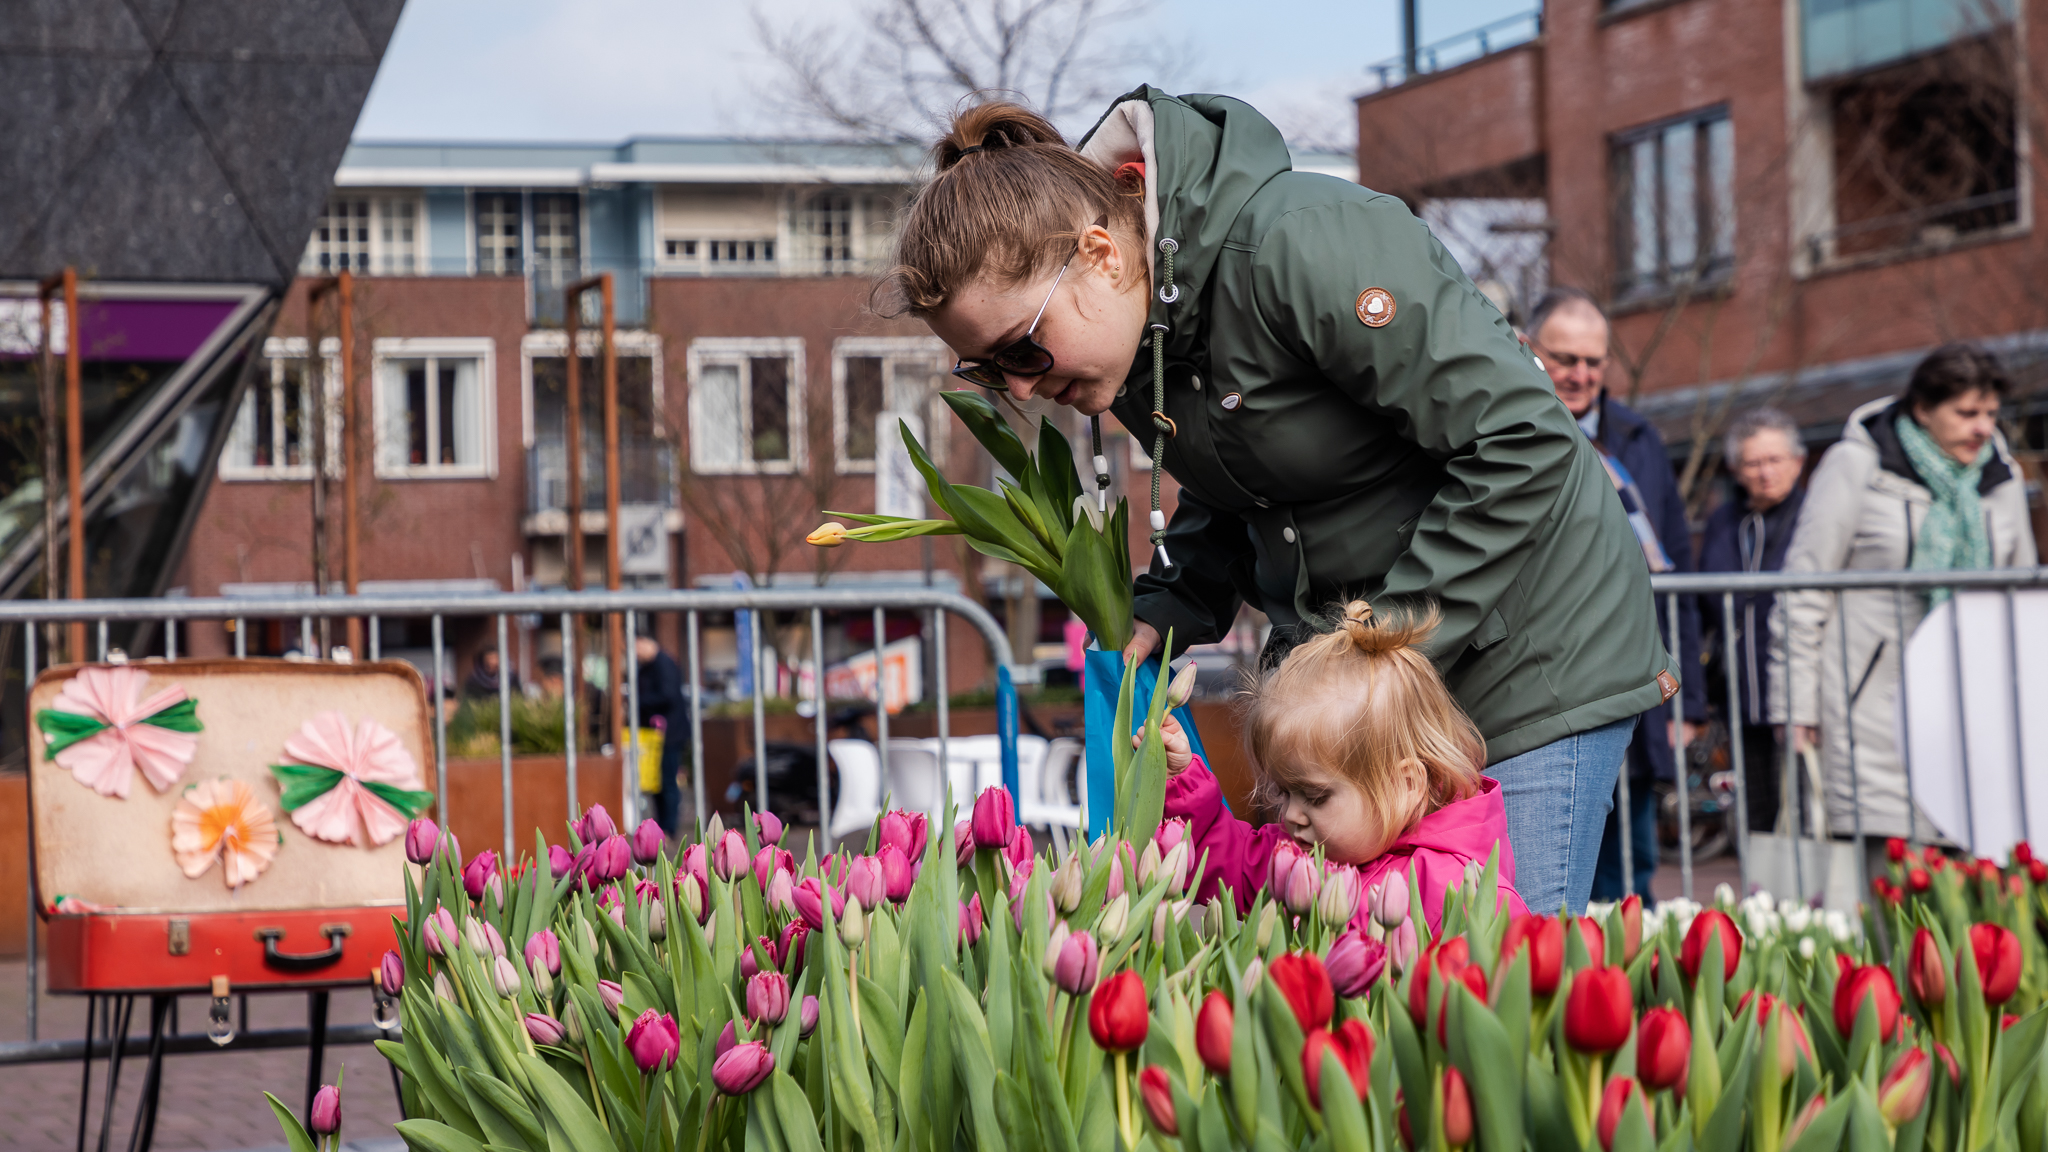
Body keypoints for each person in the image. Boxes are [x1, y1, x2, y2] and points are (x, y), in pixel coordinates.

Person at [888, 93, 1675, 915]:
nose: (1020, 385)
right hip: (1366, 686)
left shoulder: (1300, 245)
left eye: (1020, 346)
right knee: (1355, 979)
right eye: (987, 370)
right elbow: (1241, 485)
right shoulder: (1124, 349)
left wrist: (1369, 646)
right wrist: (1171, 606)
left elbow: (1521, 439)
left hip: (1528, 658)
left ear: (1101, 254)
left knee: (1499, 974)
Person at [1770, 344, 2037, 876]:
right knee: (1889, 893)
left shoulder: (1999, 477)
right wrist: (1795, 707)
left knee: (1976, 891)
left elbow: (2021, 601)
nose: (1983, 427)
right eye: (1966, 413)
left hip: (1973, 711)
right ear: (1922, 408)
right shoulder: (1857, 464)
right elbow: (1803, 589)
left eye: (1989, 413)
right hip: (1872, 711)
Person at [1155, 600, 1527, 930]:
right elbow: (1222, 860)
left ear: (1406, 784)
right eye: (1283, 792)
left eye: (1315, 796)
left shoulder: (1461, 890)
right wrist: (1183, 783)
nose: (1291, 816)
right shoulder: (1295, 857)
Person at [1524, 288, 1706, 902]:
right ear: (1528, 348)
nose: (1580, 374)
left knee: (1632, 880)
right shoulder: (1505, 429)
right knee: (1550, 886)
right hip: (1548, 684)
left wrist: (1692, 704)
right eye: (1565, 357)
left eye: (1593, 361)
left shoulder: (1639, 437)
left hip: (1633, 678)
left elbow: (1675, 573)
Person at [1698, 407, 1807, 833]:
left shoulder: (1814, 514)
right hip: (1740, 700)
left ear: (1798, 462)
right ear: (1736, 470)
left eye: (1775, 460)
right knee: (1757, 820)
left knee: (1803, 815)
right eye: (1753, 462)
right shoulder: (1723, 522)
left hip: (1798, 698)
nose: (1765, 473)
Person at [634, 633, 693, 836]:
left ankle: (669, 827)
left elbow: (668, 696)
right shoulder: (649, 666)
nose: (634, 653)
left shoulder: (663, 664)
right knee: (657, 783)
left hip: (669, 735)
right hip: (657, 735)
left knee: (667, 782)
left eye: (635, 647)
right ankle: (661, 826)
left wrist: (638, 701)